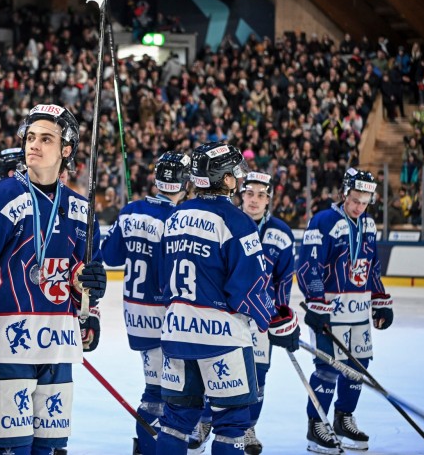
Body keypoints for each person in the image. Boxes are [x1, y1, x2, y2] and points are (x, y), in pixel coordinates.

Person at [0, 104, 107, 454]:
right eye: (30, 137)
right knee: (5, 449)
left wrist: (88, 292)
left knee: (49, 449)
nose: (33, 145)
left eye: (46, 138)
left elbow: (76, 275)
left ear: (66, 149)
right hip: (6, 348)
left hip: (58, 348)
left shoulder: (80, 208)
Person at [155, 142, 299, 455]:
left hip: (176, 332)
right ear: (228, 180)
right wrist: (275, 322)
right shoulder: (237, 222)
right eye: (236, 172)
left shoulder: (176, 216)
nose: (239, 177)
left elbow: (161, 278)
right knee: (232, 425)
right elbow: (248, 290)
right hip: (222, 339)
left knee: (175, 422)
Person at [193, 172, 298, 455]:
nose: (254, 200)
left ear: (269, 199)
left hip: (261, 318)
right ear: (241, 194)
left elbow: (284, 280)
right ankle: (205, 421)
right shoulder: (227, 221)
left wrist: (278, 318)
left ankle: (248, 426)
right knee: (215, 372)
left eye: (261, 195)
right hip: (226, 315)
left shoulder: (281, 234)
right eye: (250, 193)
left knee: (257, 377)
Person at [101, 151, 191, 455]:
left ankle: (146, 447)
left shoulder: (130, 211)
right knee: (169, 392)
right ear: (186, 182)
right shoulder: (180, 218)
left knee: (155, 389)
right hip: (169, 317)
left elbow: (109, 257)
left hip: (137, 316)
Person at [298, 168, 392, 453]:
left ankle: (343, 419)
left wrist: (380, 300)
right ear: (343, 194)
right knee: (328, 369)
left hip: (359, 313)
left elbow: (372, 267)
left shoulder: (369, 225)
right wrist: (316, 303)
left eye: (364, 202)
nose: (359, 207)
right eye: (354, 200)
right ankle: (317, 426)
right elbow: (308, 266)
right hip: (330, 310)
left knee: (358, 368)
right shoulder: (323, 221)